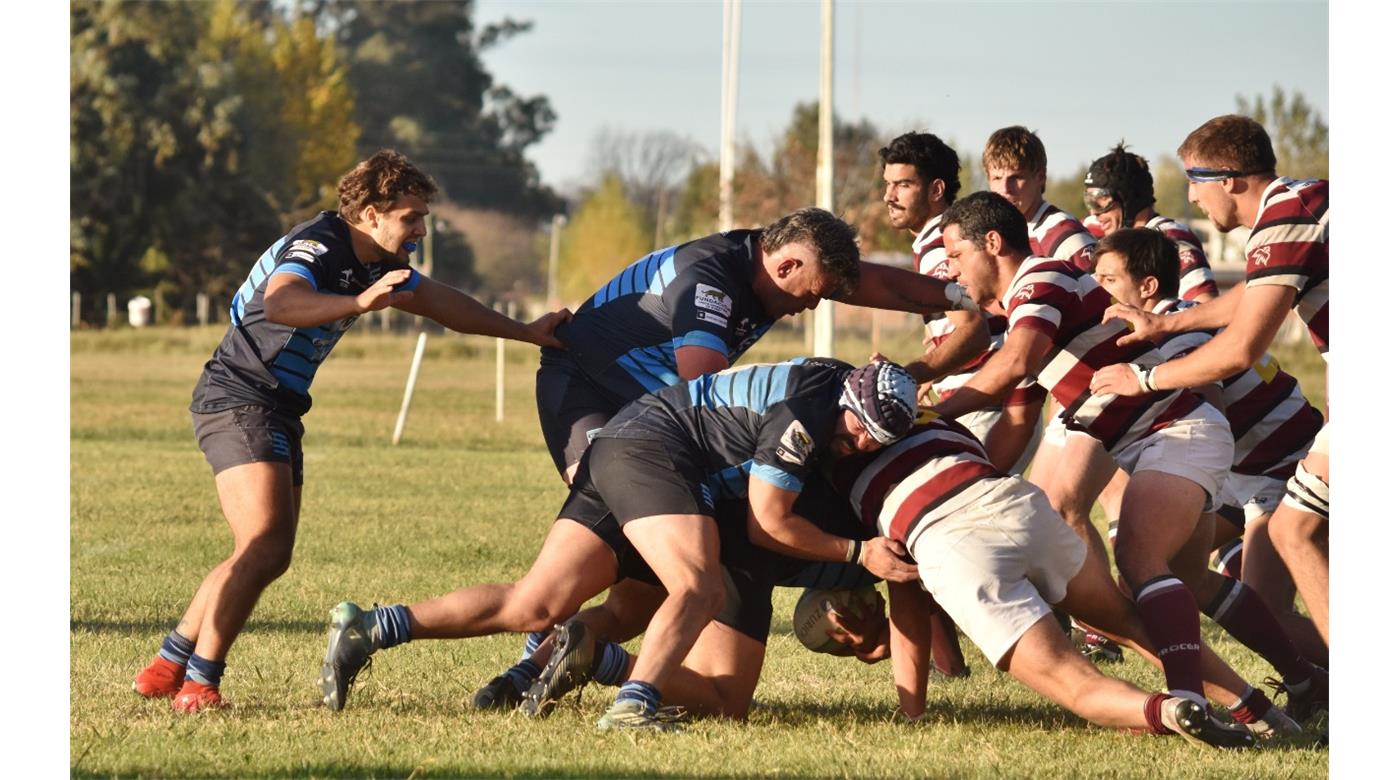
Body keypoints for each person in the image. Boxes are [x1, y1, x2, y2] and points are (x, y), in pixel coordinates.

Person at [130, 150, 571, 712]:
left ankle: (169, 663)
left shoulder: (375, 258)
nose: (418, 231)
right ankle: (199, 682)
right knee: (263, 544)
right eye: (410, 218)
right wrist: (359, 301)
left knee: (268, 550)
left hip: (279, 406)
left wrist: (526, 332)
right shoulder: (321, 245)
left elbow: (446, 307)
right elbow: (282, 301)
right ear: (369, 213)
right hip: (239, 396)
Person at [318, 359, 922, 730]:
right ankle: (634, 703)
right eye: (854, 433)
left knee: (538, 604)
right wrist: (855, 554)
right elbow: (767, 524)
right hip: (660, 455)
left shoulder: (839, 383)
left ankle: (374, 627)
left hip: (630, 446)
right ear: (847, 401)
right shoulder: (806, 414)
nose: (854, 446)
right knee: (699, 586)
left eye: (871, 443)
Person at [927, 191, 1306, 718]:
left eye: (956, 252)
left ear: (992, 243)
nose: (951, 267)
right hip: (1172, 436)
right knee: (1190, 580)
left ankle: (1190, 701)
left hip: (1177, 432)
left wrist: (933, 410)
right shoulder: (1025, 302)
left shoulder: (1040, 280)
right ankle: (1303, 682)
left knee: (1137, 559)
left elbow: (1014, 365)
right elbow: (1016, 411)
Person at [1090, 115, 1330, 649]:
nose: (1193, 199)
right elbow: (1251, 296)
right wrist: (1164, 323)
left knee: (1293, 536)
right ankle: (1314, 687)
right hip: (1270, 459)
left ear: (1228, 178)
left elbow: (1240, 348)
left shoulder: (1284, 217)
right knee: (1259, 600)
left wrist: (1144, 379)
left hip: (1276, 460)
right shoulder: (1300, 203)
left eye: (1194, 183)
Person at [541, 207, 979, 485]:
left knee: (670, 532)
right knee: (610, 500)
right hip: (586, 382)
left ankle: (593, 631)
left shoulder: (775, 264)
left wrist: (960, 295)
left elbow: (879, 283)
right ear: (786, 266)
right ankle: (548, 628)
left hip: (649, 396)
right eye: (812, 295)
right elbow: (708, 395)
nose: (810, 306)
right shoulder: (710, 286)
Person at [881, 131, 1042, 475]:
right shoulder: (942, 237)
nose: (888, 197)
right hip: (992, 403)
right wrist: (932, 369)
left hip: (990, 408)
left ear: (936, 190)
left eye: (902, 185)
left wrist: (905, 378)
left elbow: (974, 333)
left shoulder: (940, 246)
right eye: (888, 184)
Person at [1083, 143, 1218, 302]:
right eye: (1090, 202)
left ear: (1129, 200)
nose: (1094, 212)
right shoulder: (1093, 226)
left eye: (1101, 201)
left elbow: (1205, 303)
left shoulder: (1171, 238)